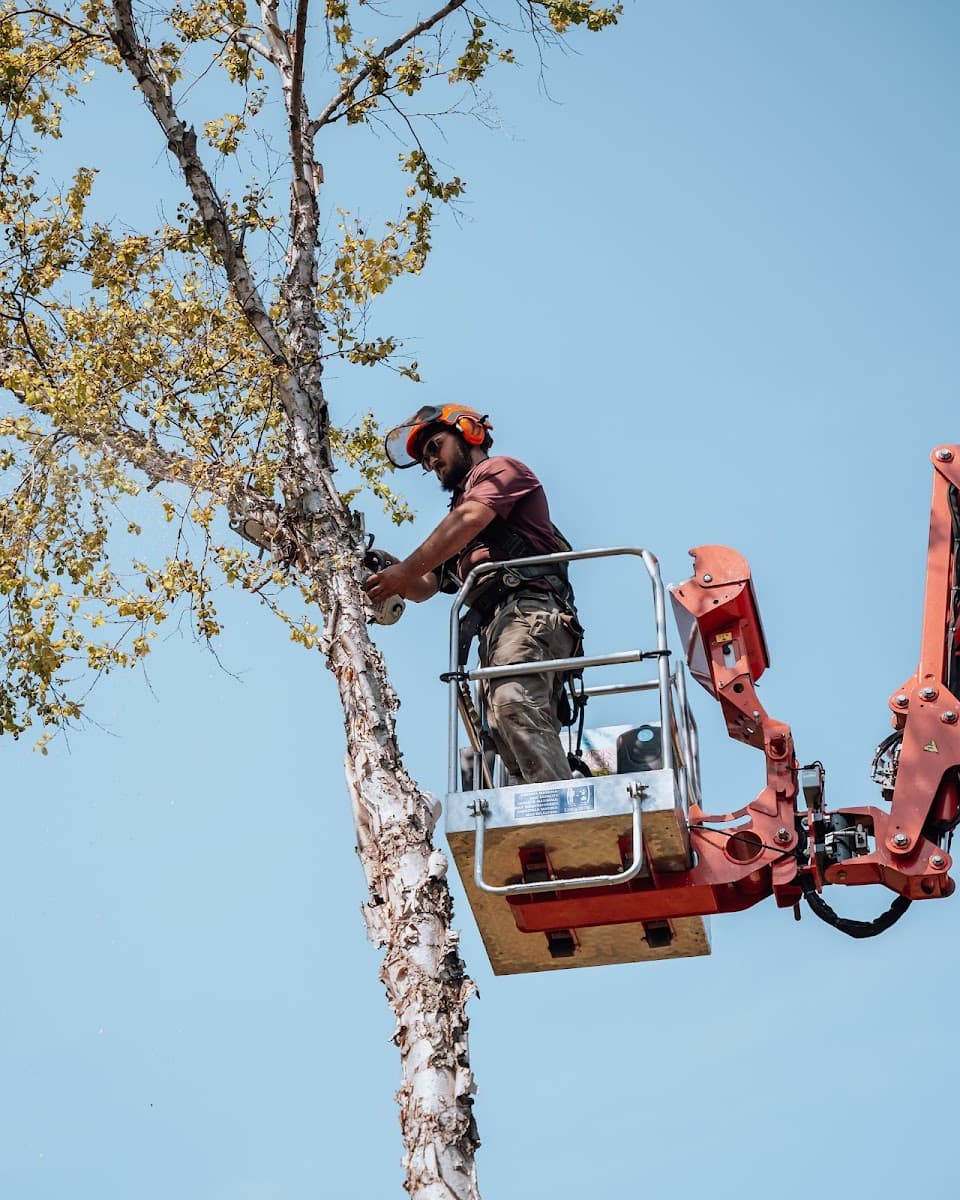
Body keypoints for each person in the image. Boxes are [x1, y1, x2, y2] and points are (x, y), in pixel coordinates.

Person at [365, 404, 580, 784]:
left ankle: (561, 806)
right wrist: (385, 568)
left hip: (529, 614)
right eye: (425, 458)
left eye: (435, 446)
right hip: (497, 629)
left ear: (469, 434)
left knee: (513, 702)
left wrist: (403, 571)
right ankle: (541, 811)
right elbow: (424, 587)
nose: (431, 461)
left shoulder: (502, 473)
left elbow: (467, 523)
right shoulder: (461, 522)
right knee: (503, 727)